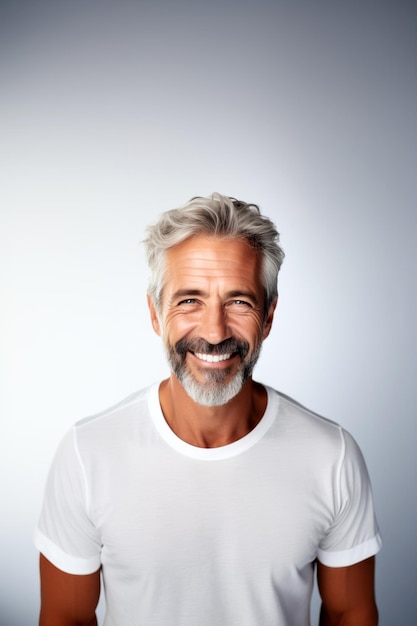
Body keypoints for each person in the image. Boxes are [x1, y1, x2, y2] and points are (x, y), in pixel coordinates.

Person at [36, 192, 382, 625]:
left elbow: (350, 612)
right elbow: (65, 617)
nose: (214, 331)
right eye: (189, 300)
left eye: (239, 301)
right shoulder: (87, 455)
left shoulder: (331, 455)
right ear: (156, 314)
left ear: (269, 317)